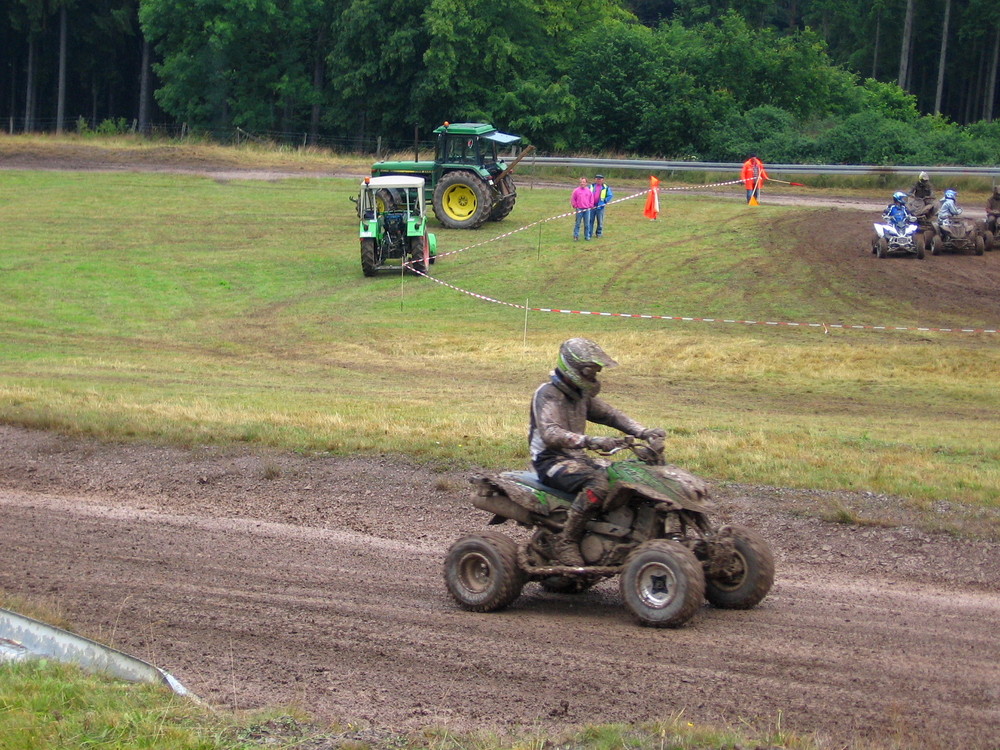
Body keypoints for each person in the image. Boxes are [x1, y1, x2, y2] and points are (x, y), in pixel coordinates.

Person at [529, 338, 665, 566]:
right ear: (572, 367)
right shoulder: (549, 394)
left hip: (577, 458)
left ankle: (619, 534)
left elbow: (611, 415)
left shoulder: (580, 396)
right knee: (599, 483)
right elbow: (551, 433)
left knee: (628, 474)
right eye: (589, 370)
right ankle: (567, 539)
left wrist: (644, 432)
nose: (594, 376)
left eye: (596, 371)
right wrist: (590, 440)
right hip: (550, 460)